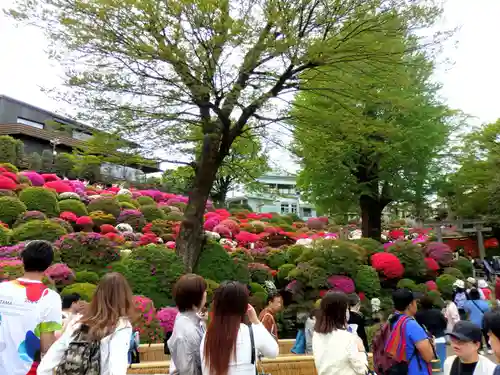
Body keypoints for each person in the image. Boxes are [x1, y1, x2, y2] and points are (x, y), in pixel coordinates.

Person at [37, 272, 136, 375]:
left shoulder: (79, 321)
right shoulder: (121, 325)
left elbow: (50, 358)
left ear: (98, 294)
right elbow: (116, 367)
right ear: (124, 297)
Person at [0, 240, 62, 375]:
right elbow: (46, 346)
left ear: (23, 260)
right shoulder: (50, 297)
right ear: (48, 265)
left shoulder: (2, 289)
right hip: (27, 369)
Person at [201, 281, 278, 375]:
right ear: (244, 306)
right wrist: (256, 322)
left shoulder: (207, 336)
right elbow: (273, 352)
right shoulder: (251, 332)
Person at [312, 291, 367, 375]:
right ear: (340, 312)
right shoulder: (347, 337)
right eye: (347, 309)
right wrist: (361, 350)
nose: (348, 312)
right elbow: (362, 370)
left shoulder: (316, 334)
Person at [386, 289, 435, 375]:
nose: (416, 305)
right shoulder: (411, 325)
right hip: (415, 370)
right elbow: (428, 357)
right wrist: (433, 345)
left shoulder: (393, 321)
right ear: (410, 305)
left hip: (399, 368)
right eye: (415, 302)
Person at [168, 274, 207, 375]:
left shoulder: (189, 319)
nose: (206, 294)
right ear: (194, 299)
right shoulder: (187, 330)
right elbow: (187, 370)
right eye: (203, 292)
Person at [415, 296, 447, 371]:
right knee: (441, 362)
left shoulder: (418, 315)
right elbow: (444, 324)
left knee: (428, 364)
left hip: (425, 340)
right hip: (439, 337)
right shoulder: (437, 312)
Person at [464, 288, 491, 354]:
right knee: (486, 335)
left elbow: (467, 312)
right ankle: (489, 348)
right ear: (478, 294)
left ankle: (481, 349)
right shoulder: (484, 303)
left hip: (474, 323)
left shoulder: (467, 303)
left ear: (470, 295)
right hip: (484, 322)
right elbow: (488, 312)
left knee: (478, 336)